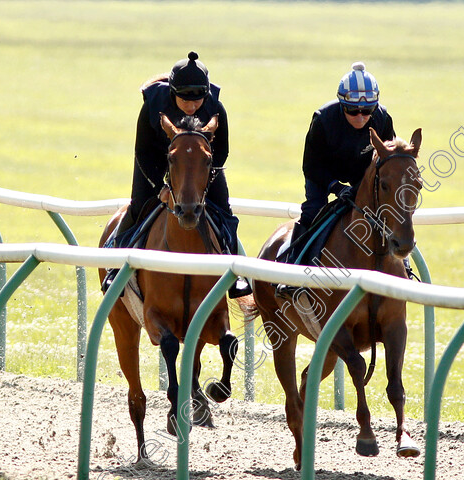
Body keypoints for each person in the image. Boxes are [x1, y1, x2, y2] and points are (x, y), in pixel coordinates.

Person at [103, 51, 251, 298]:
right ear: (173, 93)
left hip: (200, 167)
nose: (192, 107)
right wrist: (160, 186)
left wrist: (204, 183)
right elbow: (143, 151)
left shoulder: (216, 107)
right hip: (156, 164)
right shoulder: (153, 105)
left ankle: (236, 274)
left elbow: (221, 153)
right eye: (185, 101)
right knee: (139, 206)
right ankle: (115, 268)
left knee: (224, 210)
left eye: (198, 101)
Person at [277, 62, 414, 296]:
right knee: (313, 211)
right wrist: (335, 187)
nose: (361, 117)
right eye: (353, 111)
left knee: (386, 213)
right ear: (342, 104)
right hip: (324, 174)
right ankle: (293, 272)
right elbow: (311, 166)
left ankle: (405, 268)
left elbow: (389, 159)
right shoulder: (323, 120)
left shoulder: (382, 118)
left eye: (367, 110)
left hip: (362, 174)